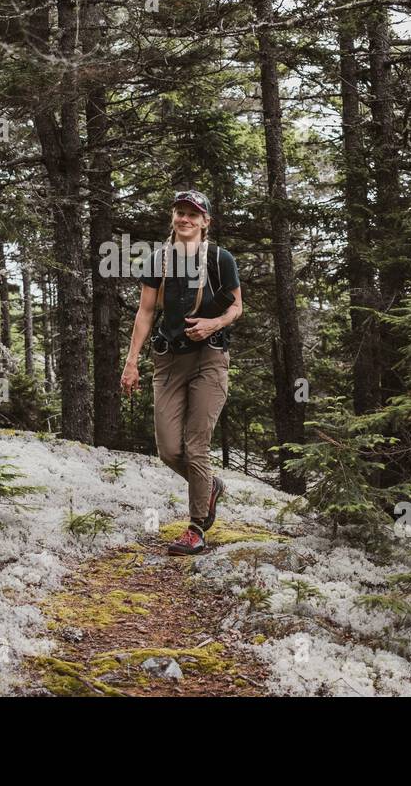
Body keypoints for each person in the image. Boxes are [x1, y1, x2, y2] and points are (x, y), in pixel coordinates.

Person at [121, 190, 242, 555]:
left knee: (196, 446)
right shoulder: (157, 260)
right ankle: (210, 487)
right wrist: (131, 361)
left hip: (209, 358)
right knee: (169, 449)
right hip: (168, 361)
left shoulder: (220, 259)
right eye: (179, 212)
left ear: (205, 222)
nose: (185, 219)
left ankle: (195, 529)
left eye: (193, 214)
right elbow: (145, 313)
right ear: (173, 217)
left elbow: (237, 307)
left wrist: (213, 323)